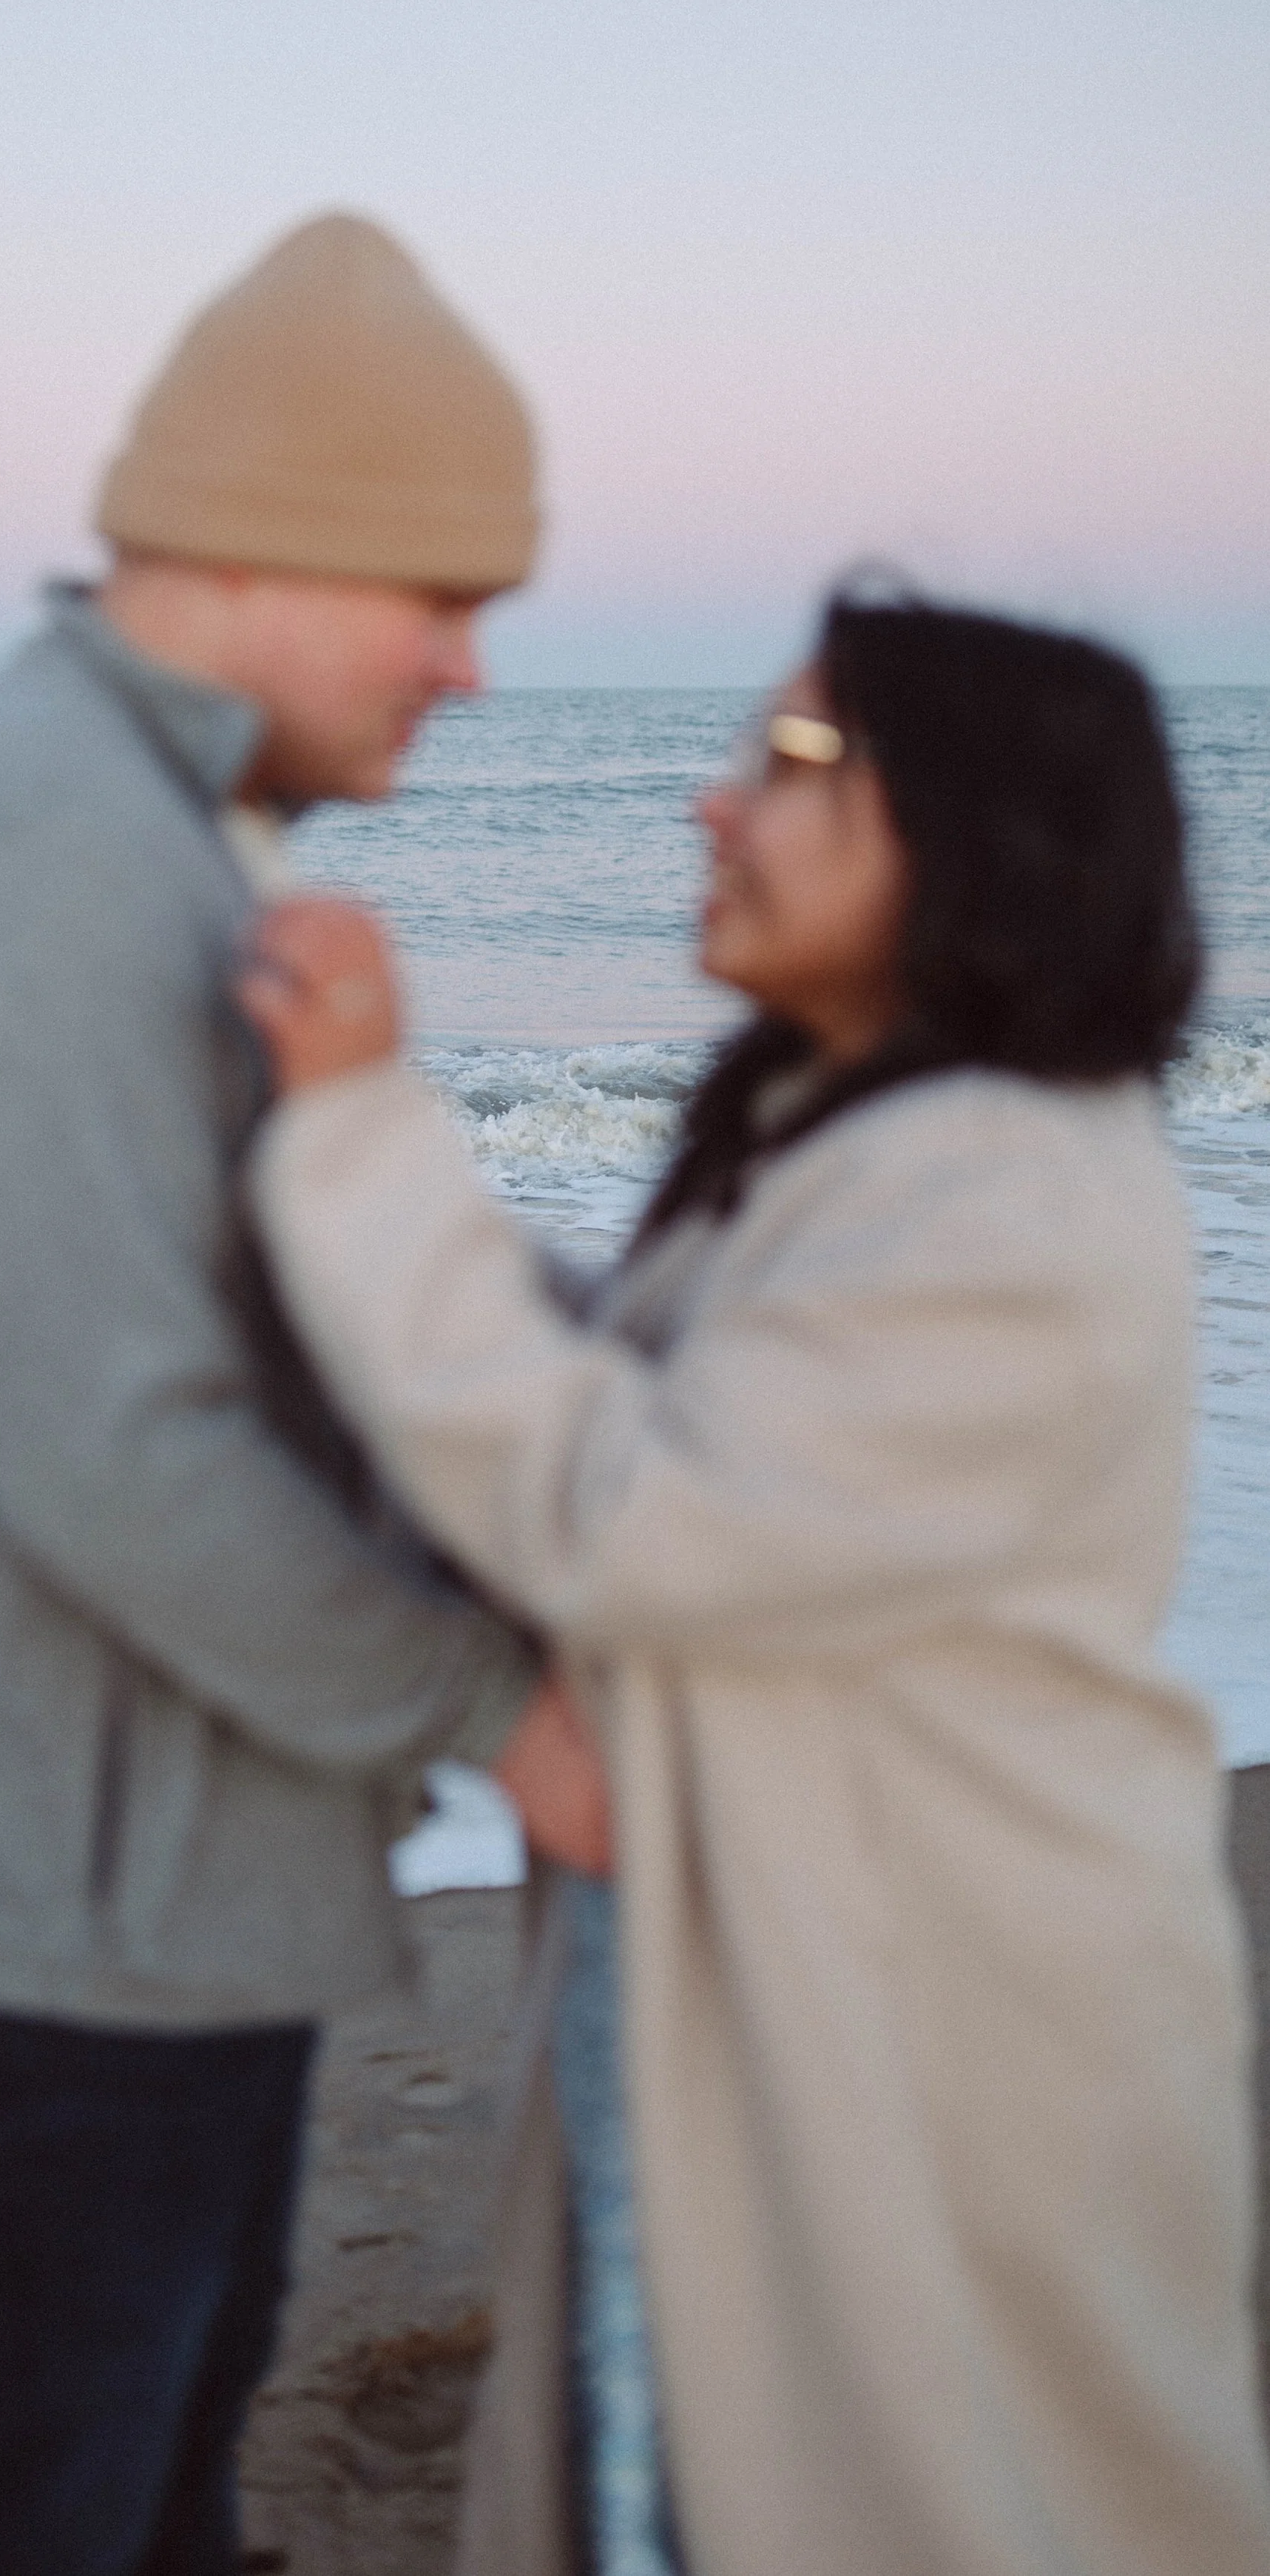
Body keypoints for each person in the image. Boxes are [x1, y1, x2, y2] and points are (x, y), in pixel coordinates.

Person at [0, 212, 610, 2576]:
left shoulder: (162, 822)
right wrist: (497, 1709)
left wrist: (702, 1339)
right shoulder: (50, 856)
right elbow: (113, 1461)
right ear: (258, 547)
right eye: (439, 590)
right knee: (44, 2515)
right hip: (17, 1957)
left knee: (161, 2508)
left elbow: (297, 1263)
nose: (468, 665)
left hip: (135, 1907)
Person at [239, 592, 1270, 2576]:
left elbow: (635, 1512)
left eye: (797, 764)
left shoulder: (1009, 1192)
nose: (713, 807)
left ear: (978, 832)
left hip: (942, 2031)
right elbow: (667, 1401)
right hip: (808, 1979)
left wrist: (359, 1132)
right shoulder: (865, 1140)